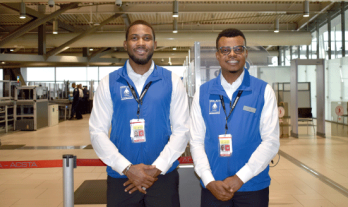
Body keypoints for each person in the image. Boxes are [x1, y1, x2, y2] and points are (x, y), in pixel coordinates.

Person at [89, 20, 190, 207]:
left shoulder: (172, 81)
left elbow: (182, 130)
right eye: (134, 38)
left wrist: (157, 168)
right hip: (122, 178)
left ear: (155, 44)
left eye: (147, 38)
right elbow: (97, 132)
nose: (141, 43)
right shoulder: (109, 83)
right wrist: (127, 168)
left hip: (162, 177)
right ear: (125, 44)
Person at [190, 28, 280, 207]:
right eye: (225, 50)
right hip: (214, 187)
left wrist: (240, 178)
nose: (232, 54)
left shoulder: (263, 91)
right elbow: (196, 141)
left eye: (238, 49)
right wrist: (208, 180)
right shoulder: (202, 93)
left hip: (252, 186)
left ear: (245, 53)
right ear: (217, 55)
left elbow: (270, 141)